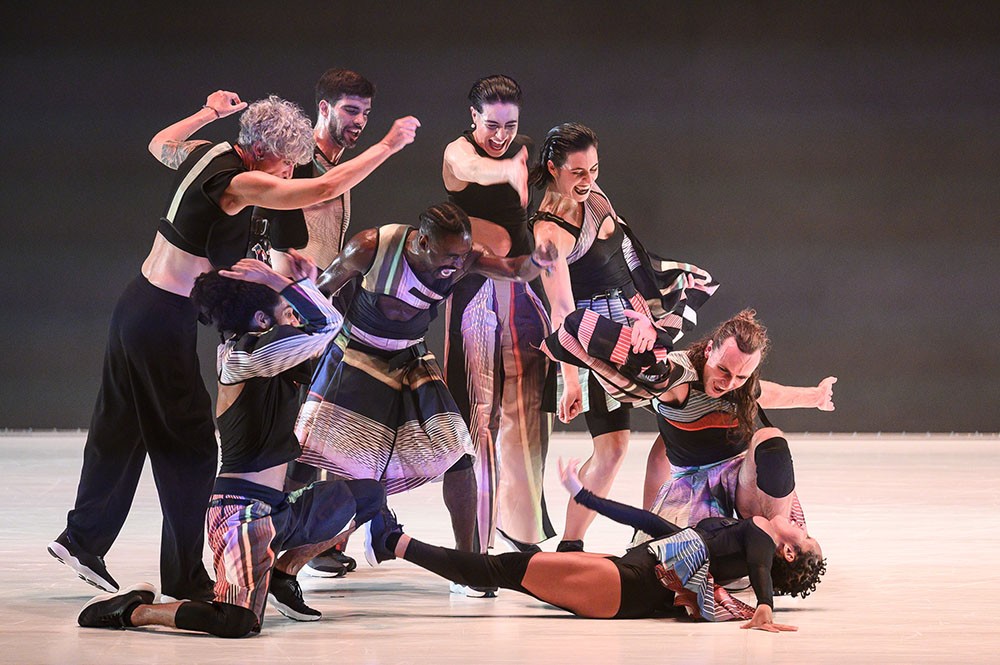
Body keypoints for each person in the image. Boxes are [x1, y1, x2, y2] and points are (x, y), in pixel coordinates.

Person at [48, 89, 418, 601]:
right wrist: (389, 145)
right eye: (287, 165)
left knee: (122, 426)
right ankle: (184, 579)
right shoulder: (239, 181)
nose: (287, 176)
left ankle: (82, 539)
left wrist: (209, 113)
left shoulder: (208, 152)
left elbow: (161, 143)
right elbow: (324, 188)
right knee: (195, 451)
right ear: (263, 153)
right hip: (162, 320)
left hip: (137, 306)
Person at [75, 253, 385, 637]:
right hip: (241, 517)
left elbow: (317, 327)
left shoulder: (268, 352)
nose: (292, 315)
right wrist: (283, 284)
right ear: (261, 321)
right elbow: (325, 325)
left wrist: (299, 286)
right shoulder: (244, 356)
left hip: (279, 511)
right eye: (285, 310)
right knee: (237, 622)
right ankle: (133, 611)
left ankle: (282, 574)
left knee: (368, 495)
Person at [287, 203, 556, 595]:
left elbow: (516, 271)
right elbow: (319, 294)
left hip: (409, 358)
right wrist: (298, 348)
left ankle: (468, 567)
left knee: (459, 454)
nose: (457, 264)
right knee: (308, 454)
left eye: (463, 255)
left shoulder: (465, 258)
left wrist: (537, 258)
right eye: (449, 256)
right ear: (423, 241)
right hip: (356, 354)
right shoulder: (371, 247)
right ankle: (287, 552)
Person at [530, 122, 718, 552]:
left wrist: (650, 312)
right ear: (554, 168)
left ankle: (658, 533)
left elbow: (625, 254)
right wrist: (572, 380)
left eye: (594, 169)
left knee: (677, 414)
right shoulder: (548, 236)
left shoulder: (595, 196)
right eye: (577, 171)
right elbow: (561, 314)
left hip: (635, 321)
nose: (588, 180)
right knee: (614, 448)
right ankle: (572, 546)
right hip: (595, 340)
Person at [363, 457, 825, 631]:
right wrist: (587, 498)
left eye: (803, 534)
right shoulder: (719, 544)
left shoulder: (759, 542)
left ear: (788, 551)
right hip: (628, 574)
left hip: (627, 585)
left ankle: (393, 542)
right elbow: (652, 523)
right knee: (510, 570)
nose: (798, 523)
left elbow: (761, 568)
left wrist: (765, 605)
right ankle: (391, 542)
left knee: (504, 569)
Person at [262, 68, 395, 578]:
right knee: (290, 429)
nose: (358, 120)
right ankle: (272, 539)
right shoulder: (299, 163)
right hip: (291, 310)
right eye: (349, 110)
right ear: (323, 108)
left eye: (364, 112)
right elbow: (282, 232)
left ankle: (314, 533)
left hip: (324, 310)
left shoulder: (339, 164)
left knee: (320, 426)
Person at [540, 308, 834, 533]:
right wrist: (649, 337)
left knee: (772, 441)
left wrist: (816, 396)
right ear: (709, 351)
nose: (729, 382)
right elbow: (649, 372)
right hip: (694, 487)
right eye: (723, 370)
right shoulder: (680, 377)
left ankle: (776, 540)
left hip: (738, 478)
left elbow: (771, 394)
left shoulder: (742, 384)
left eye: (741, 376)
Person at [442, 74, 554, 565]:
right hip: (474, 291)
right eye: (492, 124)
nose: (502, 135)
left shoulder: (524, 149)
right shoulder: (458, 152)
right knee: (474, 415)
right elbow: (473, 168)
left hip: (523, 288)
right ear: (473, 118)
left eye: (510, 125)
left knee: (527, 410)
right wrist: (507, 171)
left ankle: (522, 529)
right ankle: (472, 550)